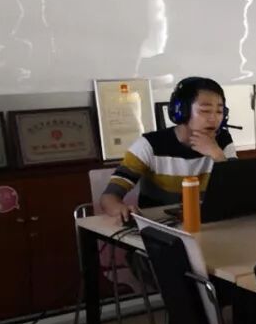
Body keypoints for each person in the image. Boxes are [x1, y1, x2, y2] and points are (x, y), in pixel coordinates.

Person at [100, 76, 237, 220]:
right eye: (205, 111)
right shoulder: (150, 144)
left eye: (219, 112)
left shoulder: (222, 141)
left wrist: (217, 155)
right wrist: (119, 208)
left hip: (208, 223)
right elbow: (109, 196)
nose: (214, 118)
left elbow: (238, 190)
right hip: (159, 225)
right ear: (181, 111)